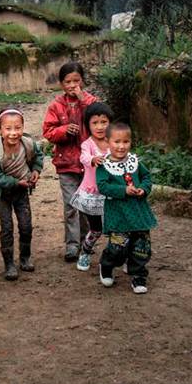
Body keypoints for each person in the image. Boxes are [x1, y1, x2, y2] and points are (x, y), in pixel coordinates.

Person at [42, 61, 99, 261]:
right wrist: (64, 131)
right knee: (71, 206)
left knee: (86, 205)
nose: (72, 85)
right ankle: (72, 245)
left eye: (76, 80)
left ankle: (86, 242)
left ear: (82, 81)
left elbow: (99, 123)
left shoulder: (91, 102)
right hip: (66, 164)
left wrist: (83, 102)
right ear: (61, 84)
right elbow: (48, 131)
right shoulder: (56, 105)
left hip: (88, 164)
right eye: (68, 81)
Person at [96, 122, 158, 294]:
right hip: (118, 214)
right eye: (117, 142)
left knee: (141, 245)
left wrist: (143, 189)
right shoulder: (104, 165)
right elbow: (102, 186)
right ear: (108, 141)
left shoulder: (135, 162)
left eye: (125, 142)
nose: (121, 146)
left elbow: (146, 177)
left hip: (139, 212)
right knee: (118, 247)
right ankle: (106, 265)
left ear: (131, 142)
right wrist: (123, 190)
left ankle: (138, 275)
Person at [0, 107, 42, 280]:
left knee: (26, 225)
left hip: (21, 192)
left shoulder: (28, 144)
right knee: (7, 227)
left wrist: (36, 171)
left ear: (23, 127)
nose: (13, 133)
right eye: (8, 129)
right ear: (0, 130)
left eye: (17, 128)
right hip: (2, 194)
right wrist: (17, 182)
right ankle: (9, 263)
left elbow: (38, 157)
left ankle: (25, 258)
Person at [71, 102, 113, 272]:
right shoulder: (87, 145)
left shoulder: (114, 142)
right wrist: (93, 160)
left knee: (116, 231)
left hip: (112, 195)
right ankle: (85, 252)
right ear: (88, 125)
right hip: (92, 195)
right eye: (95, 123)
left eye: (104, 122)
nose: (100, 126)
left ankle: (119, 256)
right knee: (96, 230)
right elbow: (84, 158)